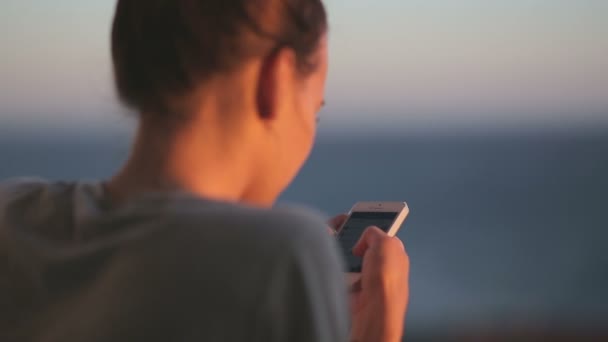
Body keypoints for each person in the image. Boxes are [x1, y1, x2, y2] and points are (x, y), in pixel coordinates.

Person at [0, 0, 409, 341]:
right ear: (277, 80)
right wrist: (377, 331)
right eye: (313, 113)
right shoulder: (284, 255)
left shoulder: (13, 214)